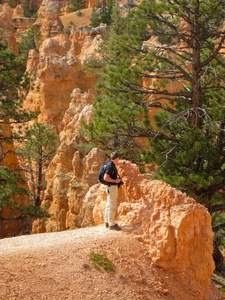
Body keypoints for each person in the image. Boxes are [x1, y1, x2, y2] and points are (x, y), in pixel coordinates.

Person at [104, 152, 125, 231]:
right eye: (118, 158)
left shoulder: (110, 164)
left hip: (109, 187)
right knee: (112, 205)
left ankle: (107, 222)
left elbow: (116, 164)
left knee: (109, 204)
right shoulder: (110, 167)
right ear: (117, 158)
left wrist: (123, 163)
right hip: (112, 187)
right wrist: (115, 181)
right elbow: (106, 178)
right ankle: (111, 224)